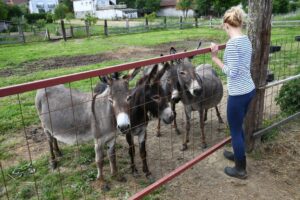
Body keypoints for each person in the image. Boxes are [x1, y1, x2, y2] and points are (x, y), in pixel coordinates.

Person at [210, 6, 256, 179]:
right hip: (249, 90)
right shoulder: (246, 40)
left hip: (238, 94)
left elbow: (232, 72)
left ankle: (240, 169)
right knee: (238, 127)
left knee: (235, 130)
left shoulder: (232, 44)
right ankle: (239, 154)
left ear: (227, 25)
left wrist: (215, 58)